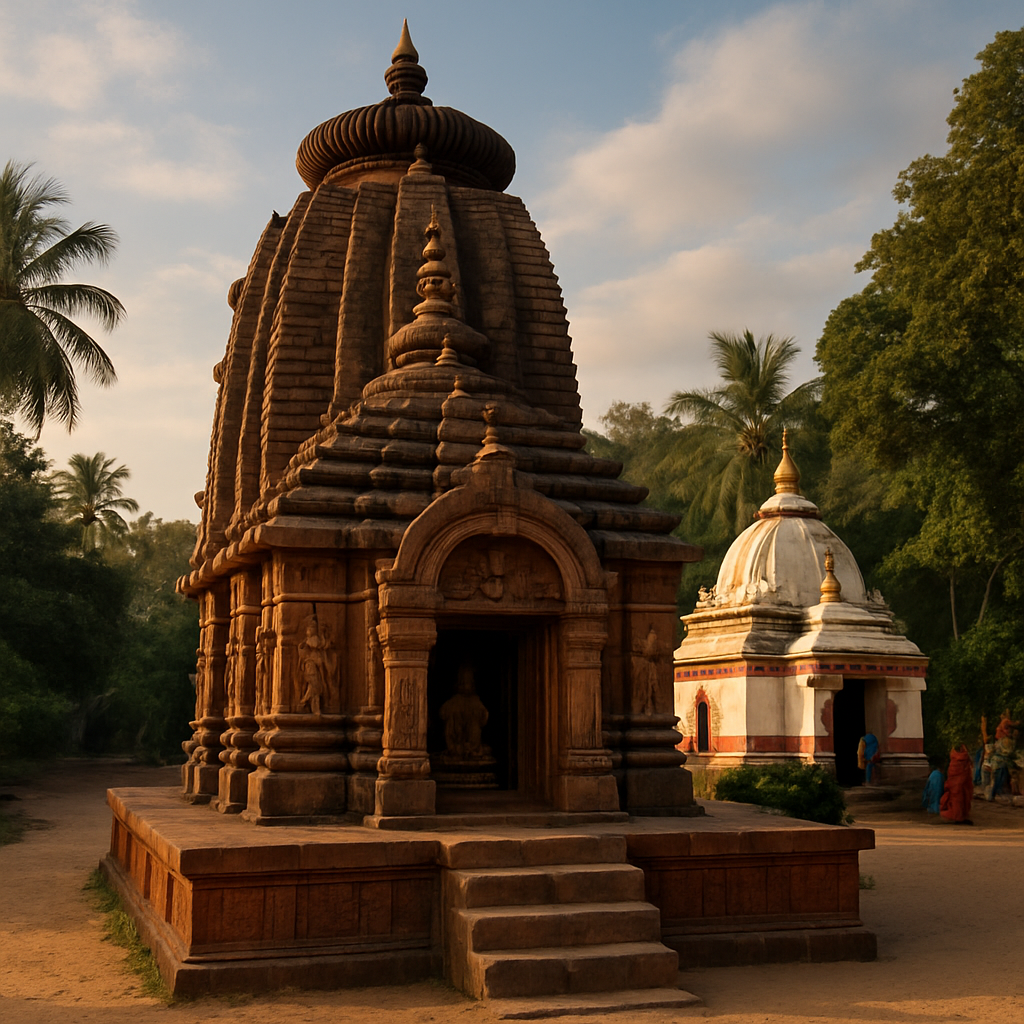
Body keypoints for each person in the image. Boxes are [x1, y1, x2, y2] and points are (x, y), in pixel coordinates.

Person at [940, 744, 973, 823]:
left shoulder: (953, 759)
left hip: (954, 786)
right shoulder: (965, 758)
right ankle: (960, 817)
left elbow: (951, 773)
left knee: (955, 801)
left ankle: (956, 817)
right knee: (962, 801)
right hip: (962, 785)